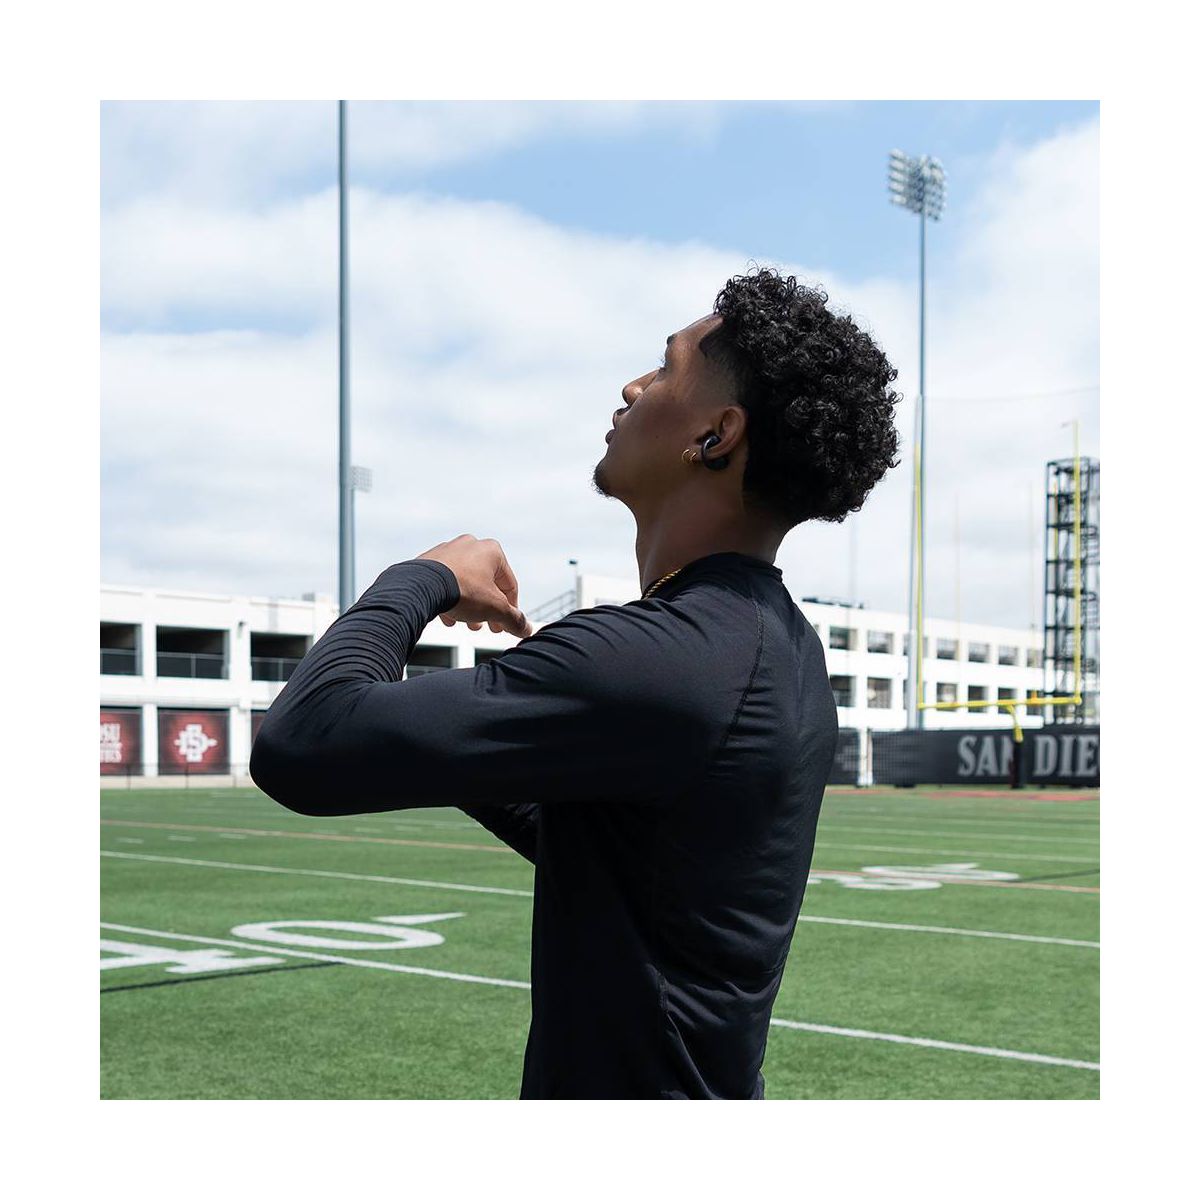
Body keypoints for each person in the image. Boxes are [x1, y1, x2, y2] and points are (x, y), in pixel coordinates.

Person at [250, 267, 901, 1099]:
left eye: (665, 368)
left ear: (716, 436)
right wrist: (473, 727)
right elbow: (631, 858)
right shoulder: (776, 645)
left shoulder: (665, 656)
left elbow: (302, 743)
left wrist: (424, 576)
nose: (632, 387)